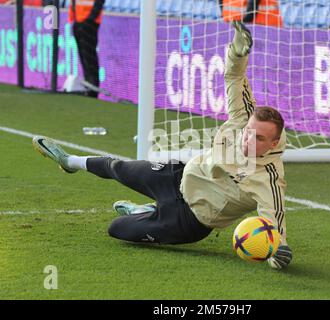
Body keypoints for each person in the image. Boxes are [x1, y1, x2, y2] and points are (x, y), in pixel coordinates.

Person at [32, 22, 292, 270]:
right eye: (248, 133)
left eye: (258, 139)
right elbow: (234, 76)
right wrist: (237, 50)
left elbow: (274, 230)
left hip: (189, 221)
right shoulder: (242, 118)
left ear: (272, 143)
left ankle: (145, 211)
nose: (248, 139)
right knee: (119, 167)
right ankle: (69, 162)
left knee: (118, 229)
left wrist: (277, 254)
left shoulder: (269, 180)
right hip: (177, 177)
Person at [69, 0, 105, 98]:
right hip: (78, 21)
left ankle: (93, 89)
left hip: (89, 22)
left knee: (89, 56)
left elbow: (99, 2)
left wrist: (90, 19)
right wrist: (74, 18)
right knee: (83, 56)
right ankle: (88, 86)